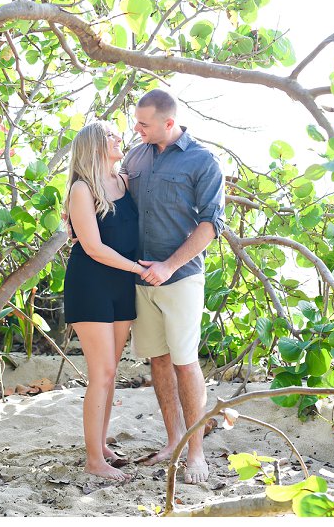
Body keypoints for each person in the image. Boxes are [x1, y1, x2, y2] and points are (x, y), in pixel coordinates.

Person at [122, 88, 226, 484]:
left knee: (185, 362)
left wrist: (168, 266)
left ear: (169, 123)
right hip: (139, 277)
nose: (137, 129)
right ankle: (173, 441)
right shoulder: (136, 155)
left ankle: (196, 454)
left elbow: (211, 226)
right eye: (136, 122)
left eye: (144, 123)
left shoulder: (203, 161)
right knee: (159, 360)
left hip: (180, 278)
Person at [62, 120, 151, 481]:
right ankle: (93, 461)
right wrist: (136, 268)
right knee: (100, 373)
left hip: (122, 284)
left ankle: (101, 446)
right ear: (95, 145)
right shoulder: (82, 189)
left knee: (111, 373)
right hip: (92, 282)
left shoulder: (124, 180)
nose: (120, 138)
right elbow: (94, 248)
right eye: (111, 135)